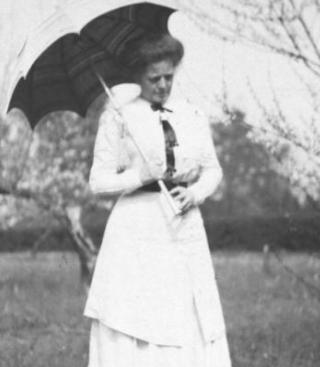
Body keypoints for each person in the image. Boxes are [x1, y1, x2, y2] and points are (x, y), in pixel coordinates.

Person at [83, 33, 231, 367]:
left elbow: (213, 170)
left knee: (185, 314)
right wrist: (140, 176)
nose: (163, 85)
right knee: (139, 315)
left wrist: (194, 193)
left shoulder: (191, 114)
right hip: (136, 229)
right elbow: (98, 182)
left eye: (168, 77)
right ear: (137, 76)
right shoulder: (119, 117)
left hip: (183, 224)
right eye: (154, 79)